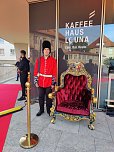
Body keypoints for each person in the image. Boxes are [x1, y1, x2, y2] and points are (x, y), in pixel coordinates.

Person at [34, 40, 57, 116]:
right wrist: (36, 81)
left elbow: (54, 73)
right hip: (40, 82)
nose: (46, 51)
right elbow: (36, 71)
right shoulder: (39, 60)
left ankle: (49, 110)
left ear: (49, 51)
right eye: (45, 49)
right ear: (43, 51)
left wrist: (53, 83)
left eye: (48, 49)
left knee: (49, 98)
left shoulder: (53, 60)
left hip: (49, 82)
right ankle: (41, 110)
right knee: (40, 97)